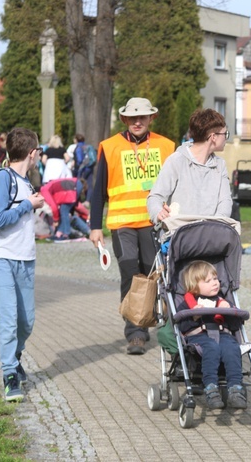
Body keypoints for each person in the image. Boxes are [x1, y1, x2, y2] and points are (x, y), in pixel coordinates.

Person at [89, 97, 175, 355]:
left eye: (143, 117)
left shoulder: (167, 146)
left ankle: (154, 321)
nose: (138, 122)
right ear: (125, 119)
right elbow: (98, 190)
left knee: (152, 275)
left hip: (154, 223)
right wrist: (95, 226)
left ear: (151, 118)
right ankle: (136, 331)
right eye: (133, 117)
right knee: (130, 270)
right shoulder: (110, 146)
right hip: (122, 222)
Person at [0, 127, 45, 402]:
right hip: (3, 259)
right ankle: (10, 374)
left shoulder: (27, 181)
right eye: (37, 153)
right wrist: (27, 205)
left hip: (26, 259)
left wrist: (31, 203)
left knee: (27, 322)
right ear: (32, 153)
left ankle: (15, 356)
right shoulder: (3, 178)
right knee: (9, 321)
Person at [176, 261, 247, 409]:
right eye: (208, 281)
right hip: (199, 337)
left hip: (223, 334)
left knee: (232, 349)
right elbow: (181, 327)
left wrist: (229, 312)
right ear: (194, 286)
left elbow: (235, 326)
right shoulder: (188, 304)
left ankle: (235, 387)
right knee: (212, 347)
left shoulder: (223, 301)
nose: (214, 283)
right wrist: (194, 316)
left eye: (215, 279)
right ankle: (210, 387)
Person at [147, 108, 233, 224]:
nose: (226, 138)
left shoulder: (220, 165)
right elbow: (155, 197)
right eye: (225, 134)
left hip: (211, 234)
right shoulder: (176, 161)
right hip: (180, 235)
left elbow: (225, 201)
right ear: (213, 137)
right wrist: (158, 212)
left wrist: (215, 226)